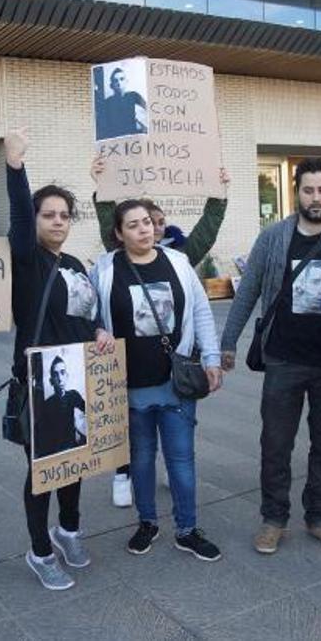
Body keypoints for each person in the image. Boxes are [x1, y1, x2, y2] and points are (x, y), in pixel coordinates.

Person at [218, 157, 321, 555]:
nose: (316, 197)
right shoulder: (273, 238)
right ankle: (274, 518)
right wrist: (228, 342)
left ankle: (320, 516)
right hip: (283, 360)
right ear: (296, 191)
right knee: (275, 443)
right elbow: (248, 291)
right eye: (308, 190)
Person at [4, 127, 113, 591]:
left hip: (78, 377)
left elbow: (84, 317)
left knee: (76, 461)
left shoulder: (73, 265)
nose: (57, 221)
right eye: (48, 215)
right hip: (37, 380)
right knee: (43, 471)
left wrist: (100, 331)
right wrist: (15, 166)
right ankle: (39, 550)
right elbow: (19, 220)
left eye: (64, 215)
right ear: (36, 220)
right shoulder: (26, 260)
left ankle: (68, 530)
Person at [90, 199, 226, 562]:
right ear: (118, 233)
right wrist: (97, 329)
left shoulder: (178, 263)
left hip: (175, 382)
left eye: (148, 222)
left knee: (182, 459)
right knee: (142, 459)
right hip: (129, 386)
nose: (144, 229)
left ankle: (187, 528)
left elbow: (200, 312)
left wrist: (211, 358)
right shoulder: (105, 269)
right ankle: (147, 522)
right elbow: (89, 315)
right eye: (133, 225)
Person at [32, 355, 88, 458]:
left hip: (73, 448)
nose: (60, 378)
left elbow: (91, 411)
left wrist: (81, 430)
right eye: (56, 374)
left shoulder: (73, 395)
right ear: (51, 380)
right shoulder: (47, 404)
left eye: (62, 373)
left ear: (67, 376)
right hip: (55, 452)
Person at [96, 67, 147, 139]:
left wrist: (142, 124)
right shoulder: (107, 102)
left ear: (126, 81)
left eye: (122, 79)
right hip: (116, 137)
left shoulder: (133, 95)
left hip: (133, 135)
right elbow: (103, 125)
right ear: (112, 85)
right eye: (115, 81)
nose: (119, 83)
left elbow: (148, 109)